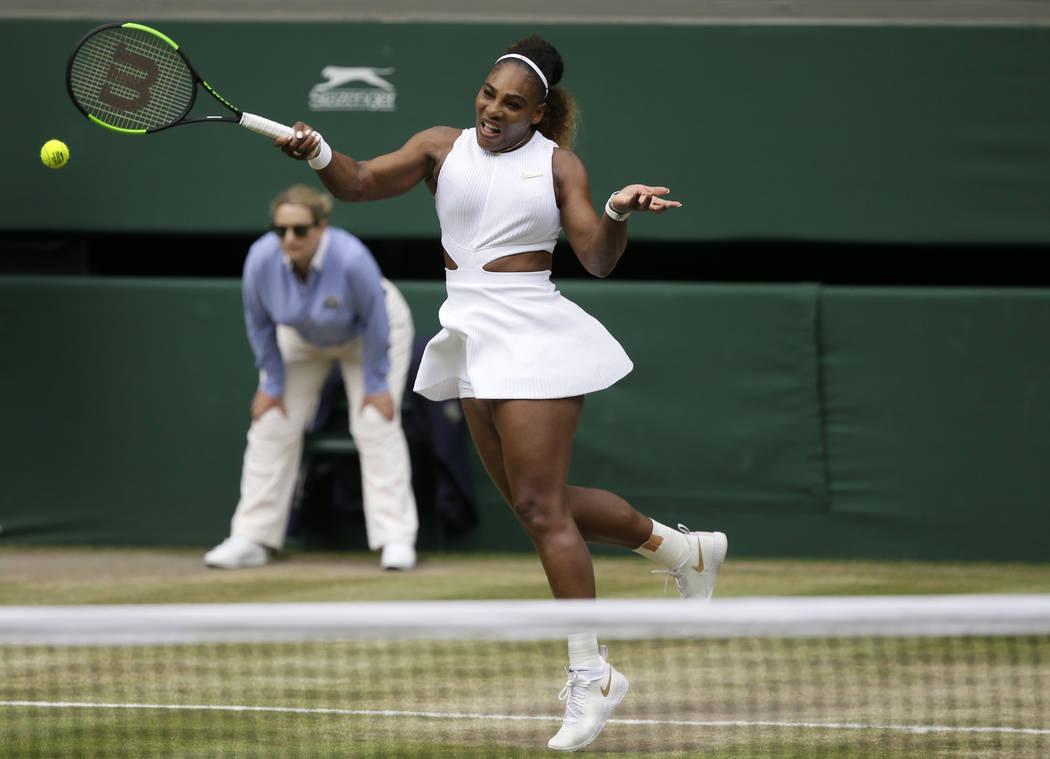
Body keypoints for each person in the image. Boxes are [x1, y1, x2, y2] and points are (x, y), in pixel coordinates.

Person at [275, 35, 728, 752]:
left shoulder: (558, 165)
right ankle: (681, 551)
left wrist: (615, 210)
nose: (493, 110)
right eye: (488, 94)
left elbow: (598, 259)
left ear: (539, 113)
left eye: (512, 103)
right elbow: (358, 182)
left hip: (533, 333)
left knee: (541, 507)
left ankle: (593, 674)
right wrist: (320, 153)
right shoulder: (437, 146)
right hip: (469, 330)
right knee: (534, 503)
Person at [204, 184, 419, 572]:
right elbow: (259, 323)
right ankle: (251, 538)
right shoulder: (260, 260)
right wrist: (271, 384)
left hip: (368, 336)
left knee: (374, 423)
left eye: (300, 230)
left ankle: (396, 539)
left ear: (321, 227)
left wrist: (375, 385)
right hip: (301, 337)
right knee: (271, 421)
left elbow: (377, 322)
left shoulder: (351, 258)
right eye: (281, 230)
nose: (289, 239)